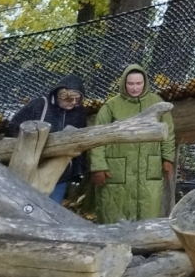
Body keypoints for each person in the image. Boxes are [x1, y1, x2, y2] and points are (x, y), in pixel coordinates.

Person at [89, 66, 174, 223]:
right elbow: (96, 137)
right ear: (123, 83)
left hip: (149, 167)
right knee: (114, 212)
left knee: (149, 212)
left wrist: (167, 158)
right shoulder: (111, 106)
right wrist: (99, 166)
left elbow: (168, 133)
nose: (135, 88)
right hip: (117, 169)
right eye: (130, 84)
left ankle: (146, 246)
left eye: (138, 83)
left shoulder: (157, 103)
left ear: (145, 83)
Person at [9, 74, 88, 202]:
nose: (74, 103)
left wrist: (78, 171)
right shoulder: (39, 105)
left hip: (60, 173)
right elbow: (13, 127)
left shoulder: (79, 112)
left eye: (77, 100)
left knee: (53, 210)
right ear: (59, 96)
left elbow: (80, 142)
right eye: (69, 99)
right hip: (33, 168)